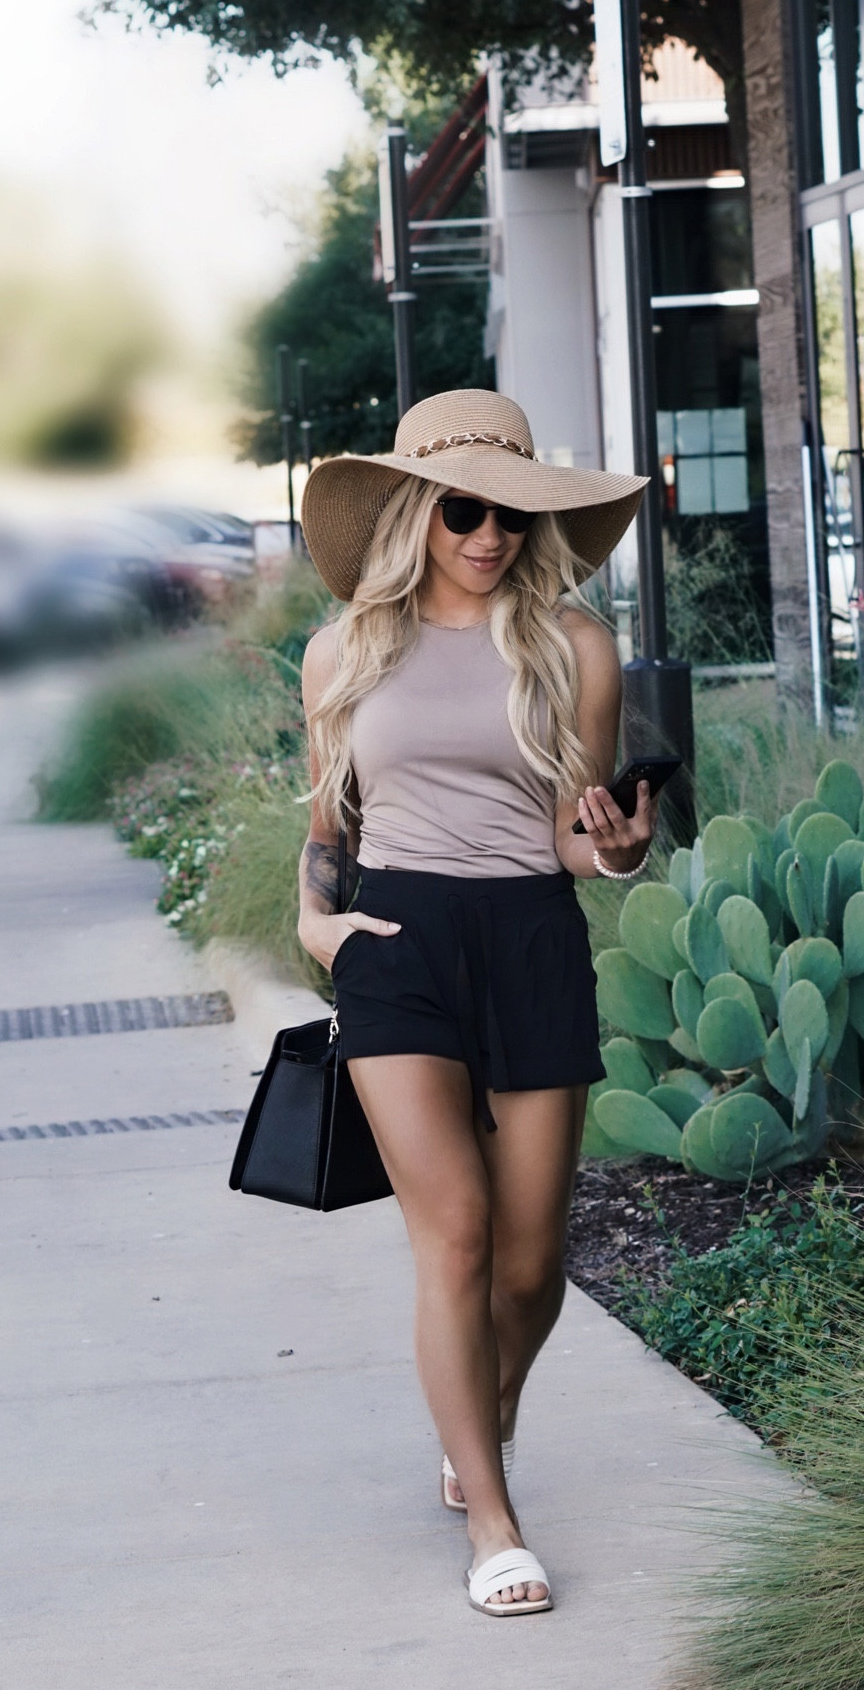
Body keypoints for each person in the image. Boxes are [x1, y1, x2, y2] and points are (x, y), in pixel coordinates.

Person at [295, 389, 655, 1618]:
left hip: (528, 934)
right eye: (461, 509)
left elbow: (574, 835)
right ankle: (493, 1519)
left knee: (530, 1256)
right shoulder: (345, 649)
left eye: (507, 511)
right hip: (395, 941)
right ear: (413, 508)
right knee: (449, 1230)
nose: (487, 534)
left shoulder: (573, 645)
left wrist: (619, 849)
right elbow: (327, 824)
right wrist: (315, 922)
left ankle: (482, 1415)